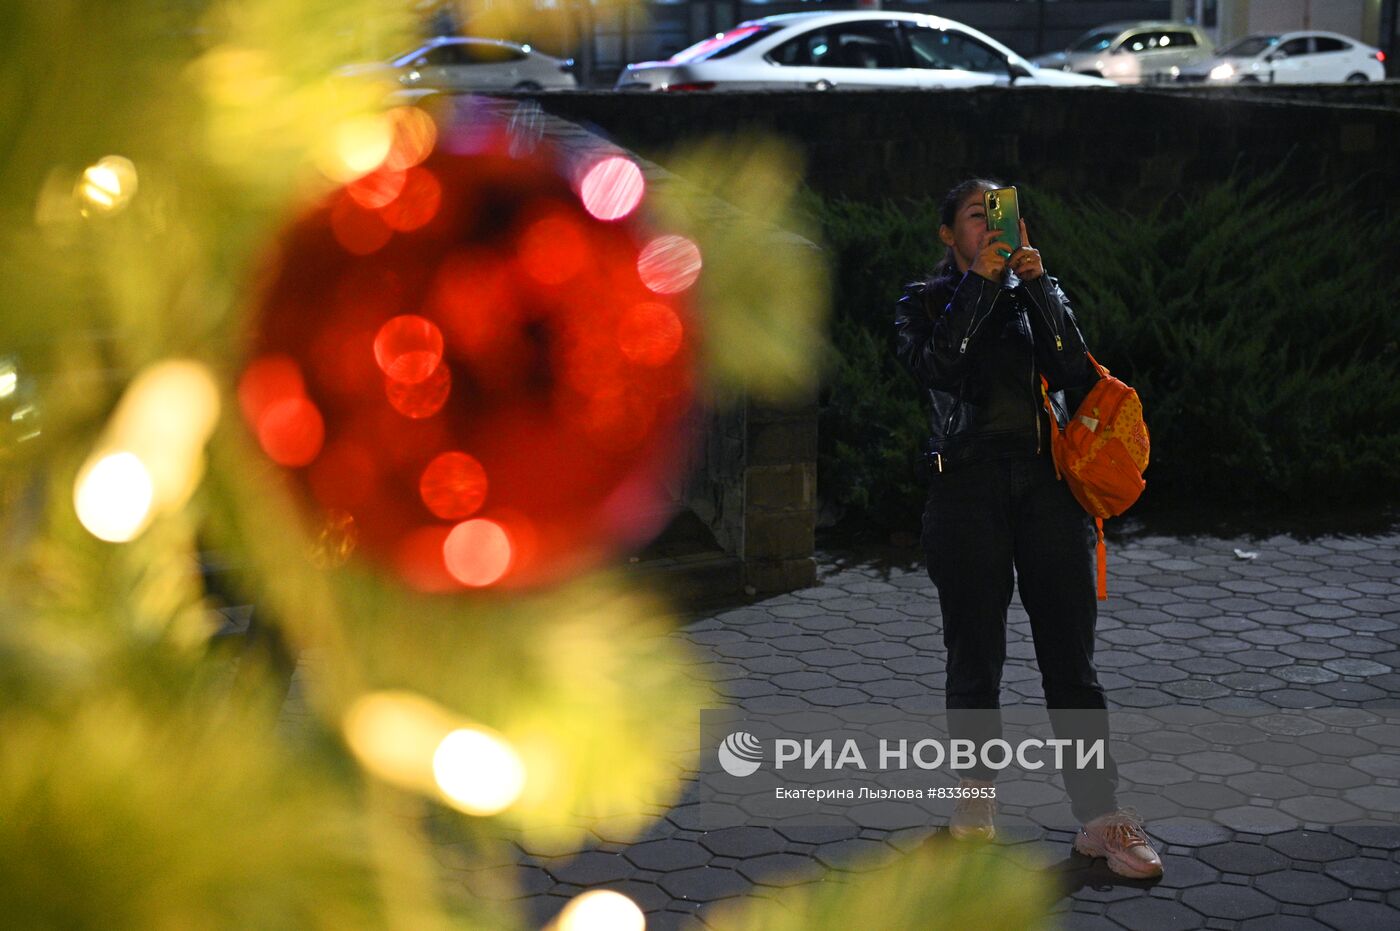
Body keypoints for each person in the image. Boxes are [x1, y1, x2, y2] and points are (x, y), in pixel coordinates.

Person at [893, 178, 1163, 880]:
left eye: (1001, 215)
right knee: (975, 658)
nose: (991, 226)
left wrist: (1039, 288)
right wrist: (982, 285)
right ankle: (974, 811)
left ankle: (1101, 819)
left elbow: (1073, 365)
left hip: (1048, 492)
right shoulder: (921, 302)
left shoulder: (1037, 290)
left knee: (1071, 662)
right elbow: (939, 366)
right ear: (948, 235)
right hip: (966, 491)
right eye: (975, 217)